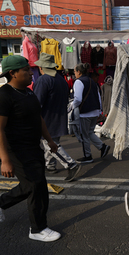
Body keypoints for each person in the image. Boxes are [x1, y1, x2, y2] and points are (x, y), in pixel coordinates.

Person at [0, 55, 61, 242]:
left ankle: (2, 203)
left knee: (34, 185)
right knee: (36, 186)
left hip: (33, 147)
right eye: (26, 70)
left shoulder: (29, 92)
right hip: (15, 151)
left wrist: (50, 141)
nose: (31, 73)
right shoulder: (4, 95)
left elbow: (39, 118)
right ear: (13, 73)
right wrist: (5, 160)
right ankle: (37, 229)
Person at [33, 53, 81, 182]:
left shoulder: (43, 80)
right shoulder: (61, 79)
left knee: (49, 143)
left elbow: (37, 103)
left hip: (46, 117)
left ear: (41, 67)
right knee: (53, 142)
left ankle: (71, 164)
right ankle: (50, 165)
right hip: (59, 116)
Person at [71, 63, 110, 163]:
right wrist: (100, 110)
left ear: (79, 72)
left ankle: (88, 156)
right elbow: (98, 96)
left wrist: (71, 107)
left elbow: (78, 99)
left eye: (75, 71)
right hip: (95, 111)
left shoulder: (79, 82)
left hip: (85, 112)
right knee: (89, 132)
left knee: (85, 135)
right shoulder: (91, 80)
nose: (74, 73)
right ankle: (102, 147)